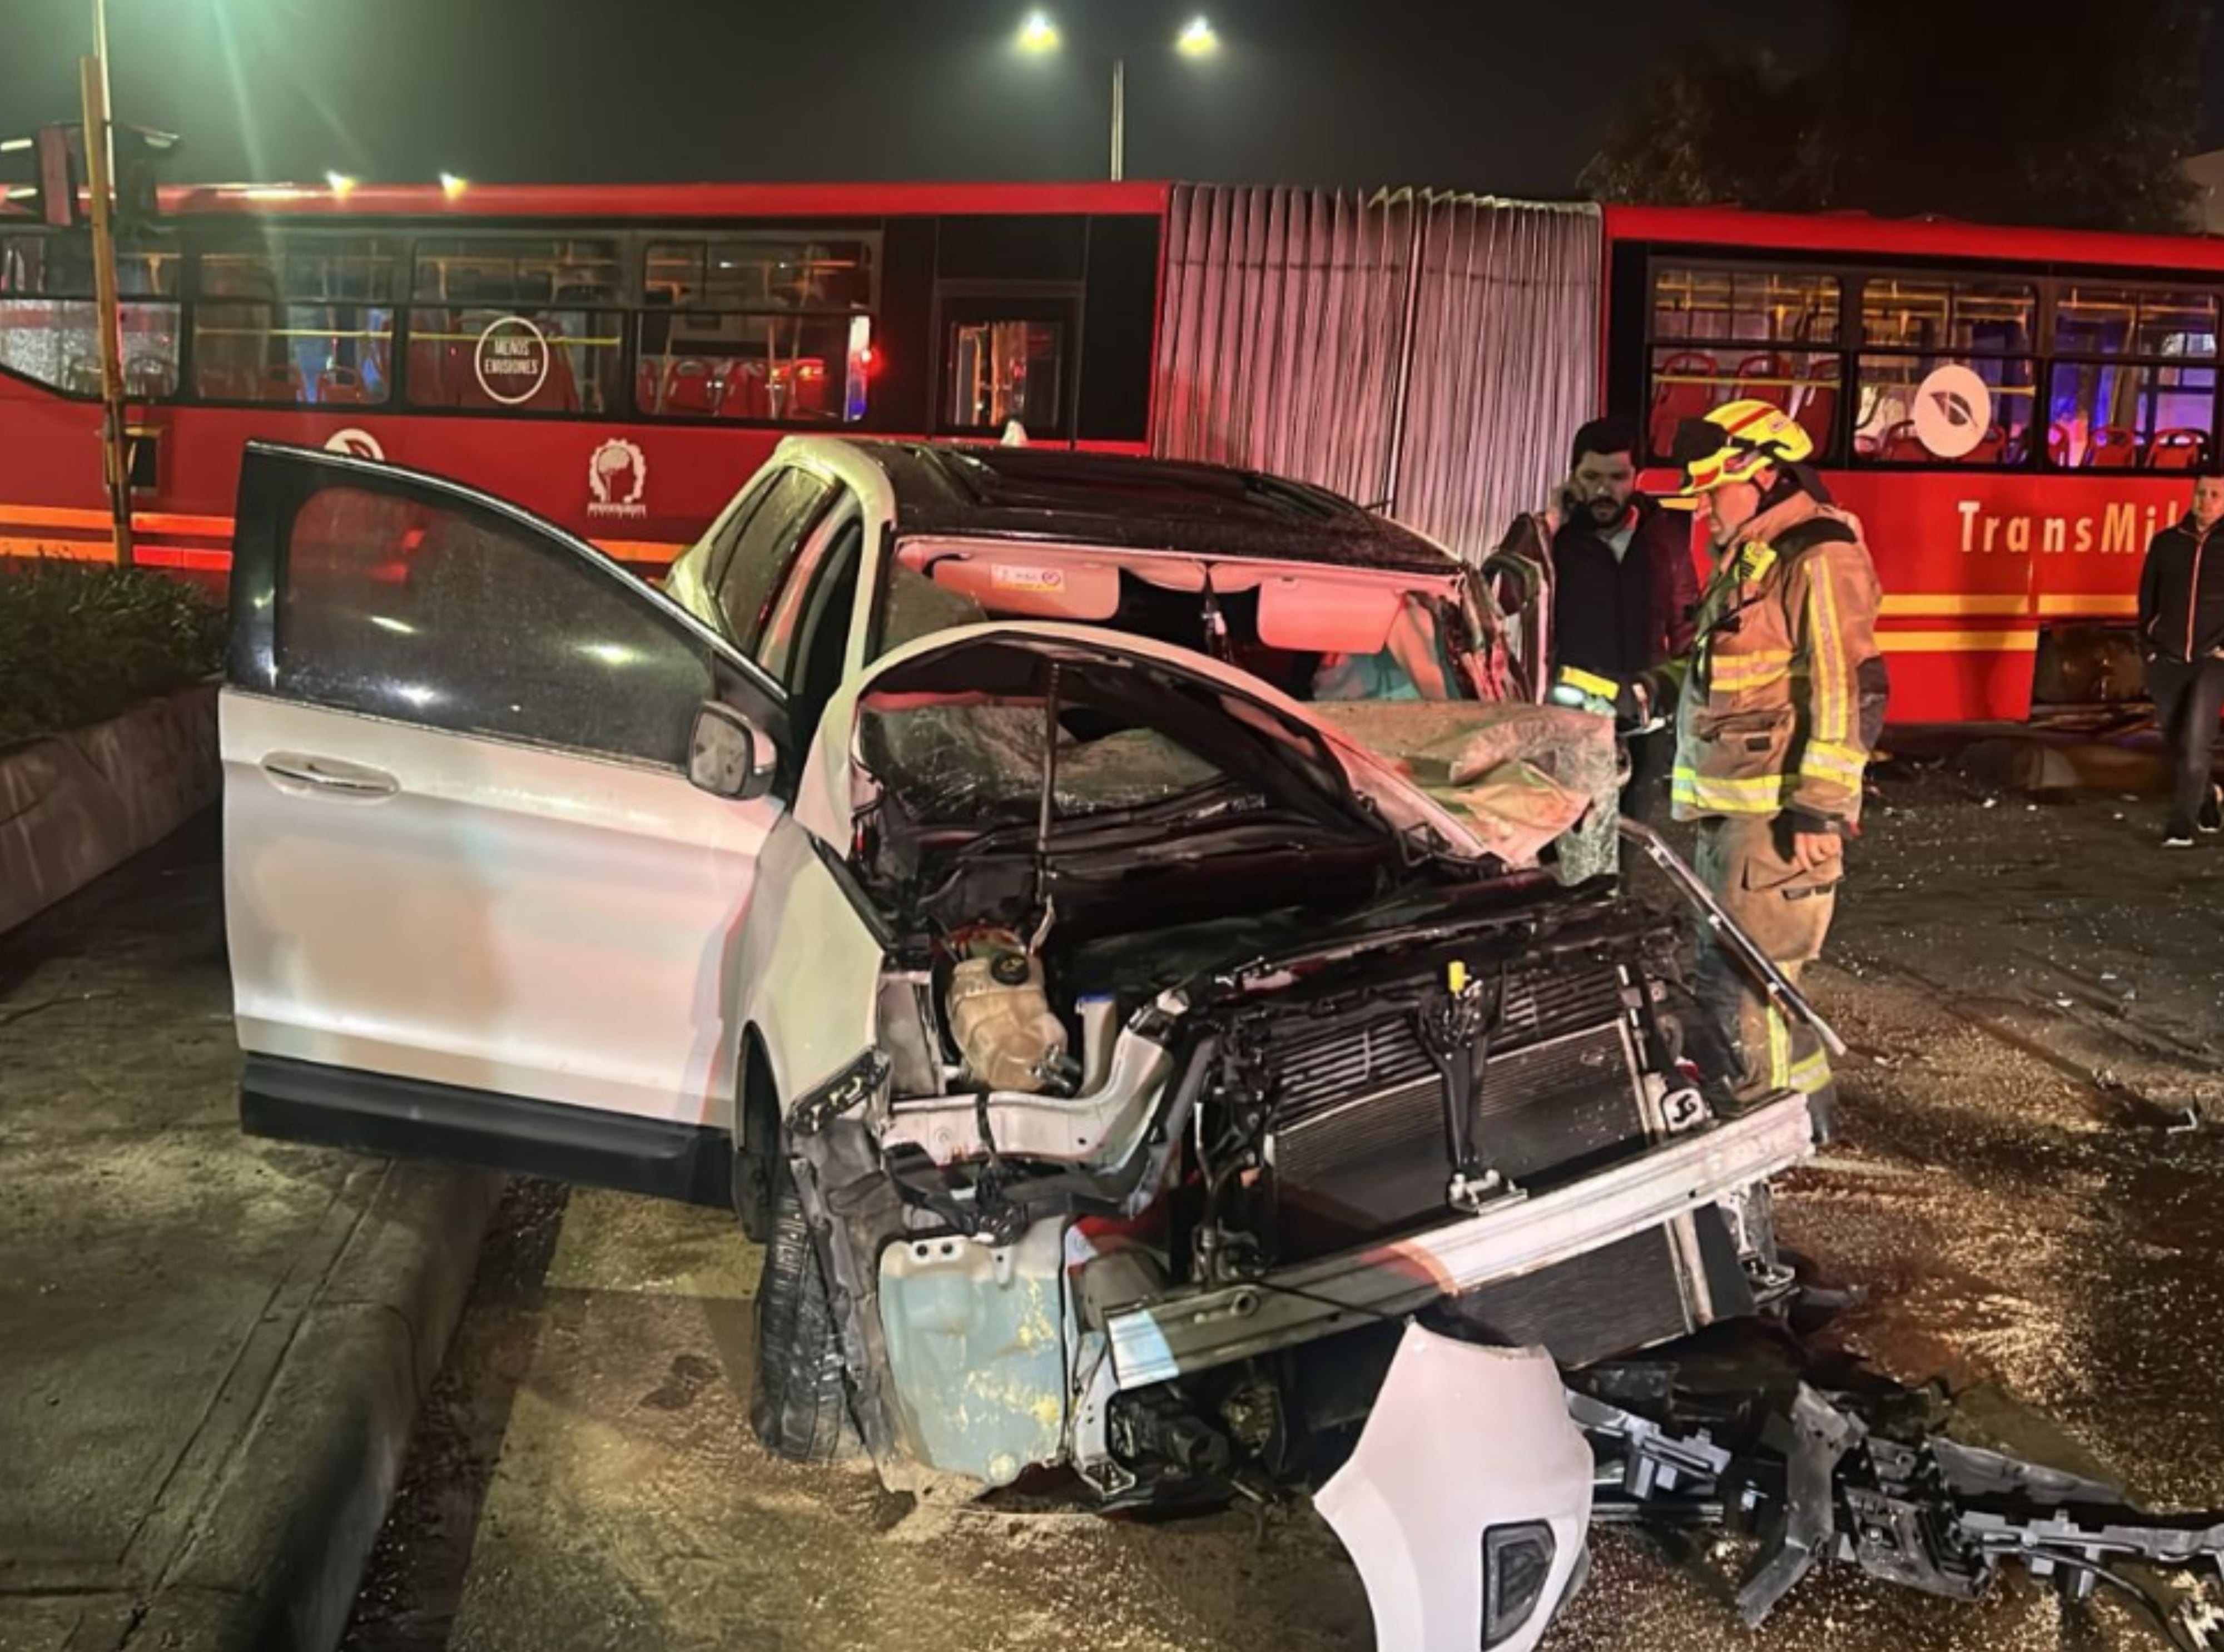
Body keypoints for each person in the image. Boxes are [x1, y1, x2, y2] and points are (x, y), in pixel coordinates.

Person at [1635, 400, 1887, 1142]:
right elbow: (1733, 669)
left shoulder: (1817, 554)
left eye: (1715, 491)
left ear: (1763, 474)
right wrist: (1653, 685)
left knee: (1749, 990)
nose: (1705, 509)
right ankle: (1804, 1122)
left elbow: (1852, 686)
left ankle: (1762, 1138)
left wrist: (1819, 807)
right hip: (1737, 818)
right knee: (1747, 984)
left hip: (1777, 822)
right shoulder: (1756, 556)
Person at [1483, 417, 1699, 819]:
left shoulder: (1665, 535)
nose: (1604, 489)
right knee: (1571, 838)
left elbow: (1687, 627)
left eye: (1618, 476)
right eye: (1591, 476)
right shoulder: (1552, 536)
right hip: (1571, 717)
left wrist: (1682, 706)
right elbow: (1498, 597)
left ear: (1638, 477)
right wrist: (1547, 524)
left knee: (1629, 840)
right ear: (1572, 477)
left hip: (1641, 721)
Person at [2136, 470, 2224, 847]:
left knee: (2196, 743)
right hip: (2167, 660)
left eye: (2215, 495)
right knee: (2177, 743)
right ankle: (2209, 797)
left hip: (2212, 659)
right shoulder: (2166, 543)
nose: (2205, 501)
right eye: (2201, 493)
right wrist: (2149, 649)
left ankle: (2179, 826)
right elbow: (2146, 600)